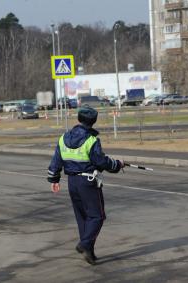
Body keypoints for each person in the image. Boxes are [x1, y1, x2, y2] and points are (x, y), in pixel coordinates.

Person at [47, 106, 124, 265]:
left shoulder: (64, 137)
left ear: (79, 118)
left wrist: (54, 179)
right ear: (94, 121)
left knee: (82, 218)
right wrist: (117, 164)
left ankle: (89, 251)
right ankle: (84, 244)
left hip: (72, 183)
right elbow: (101, 161)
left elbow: (56, 160)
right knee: (97, 216)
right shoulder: (91, 140)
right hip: (88, 182)